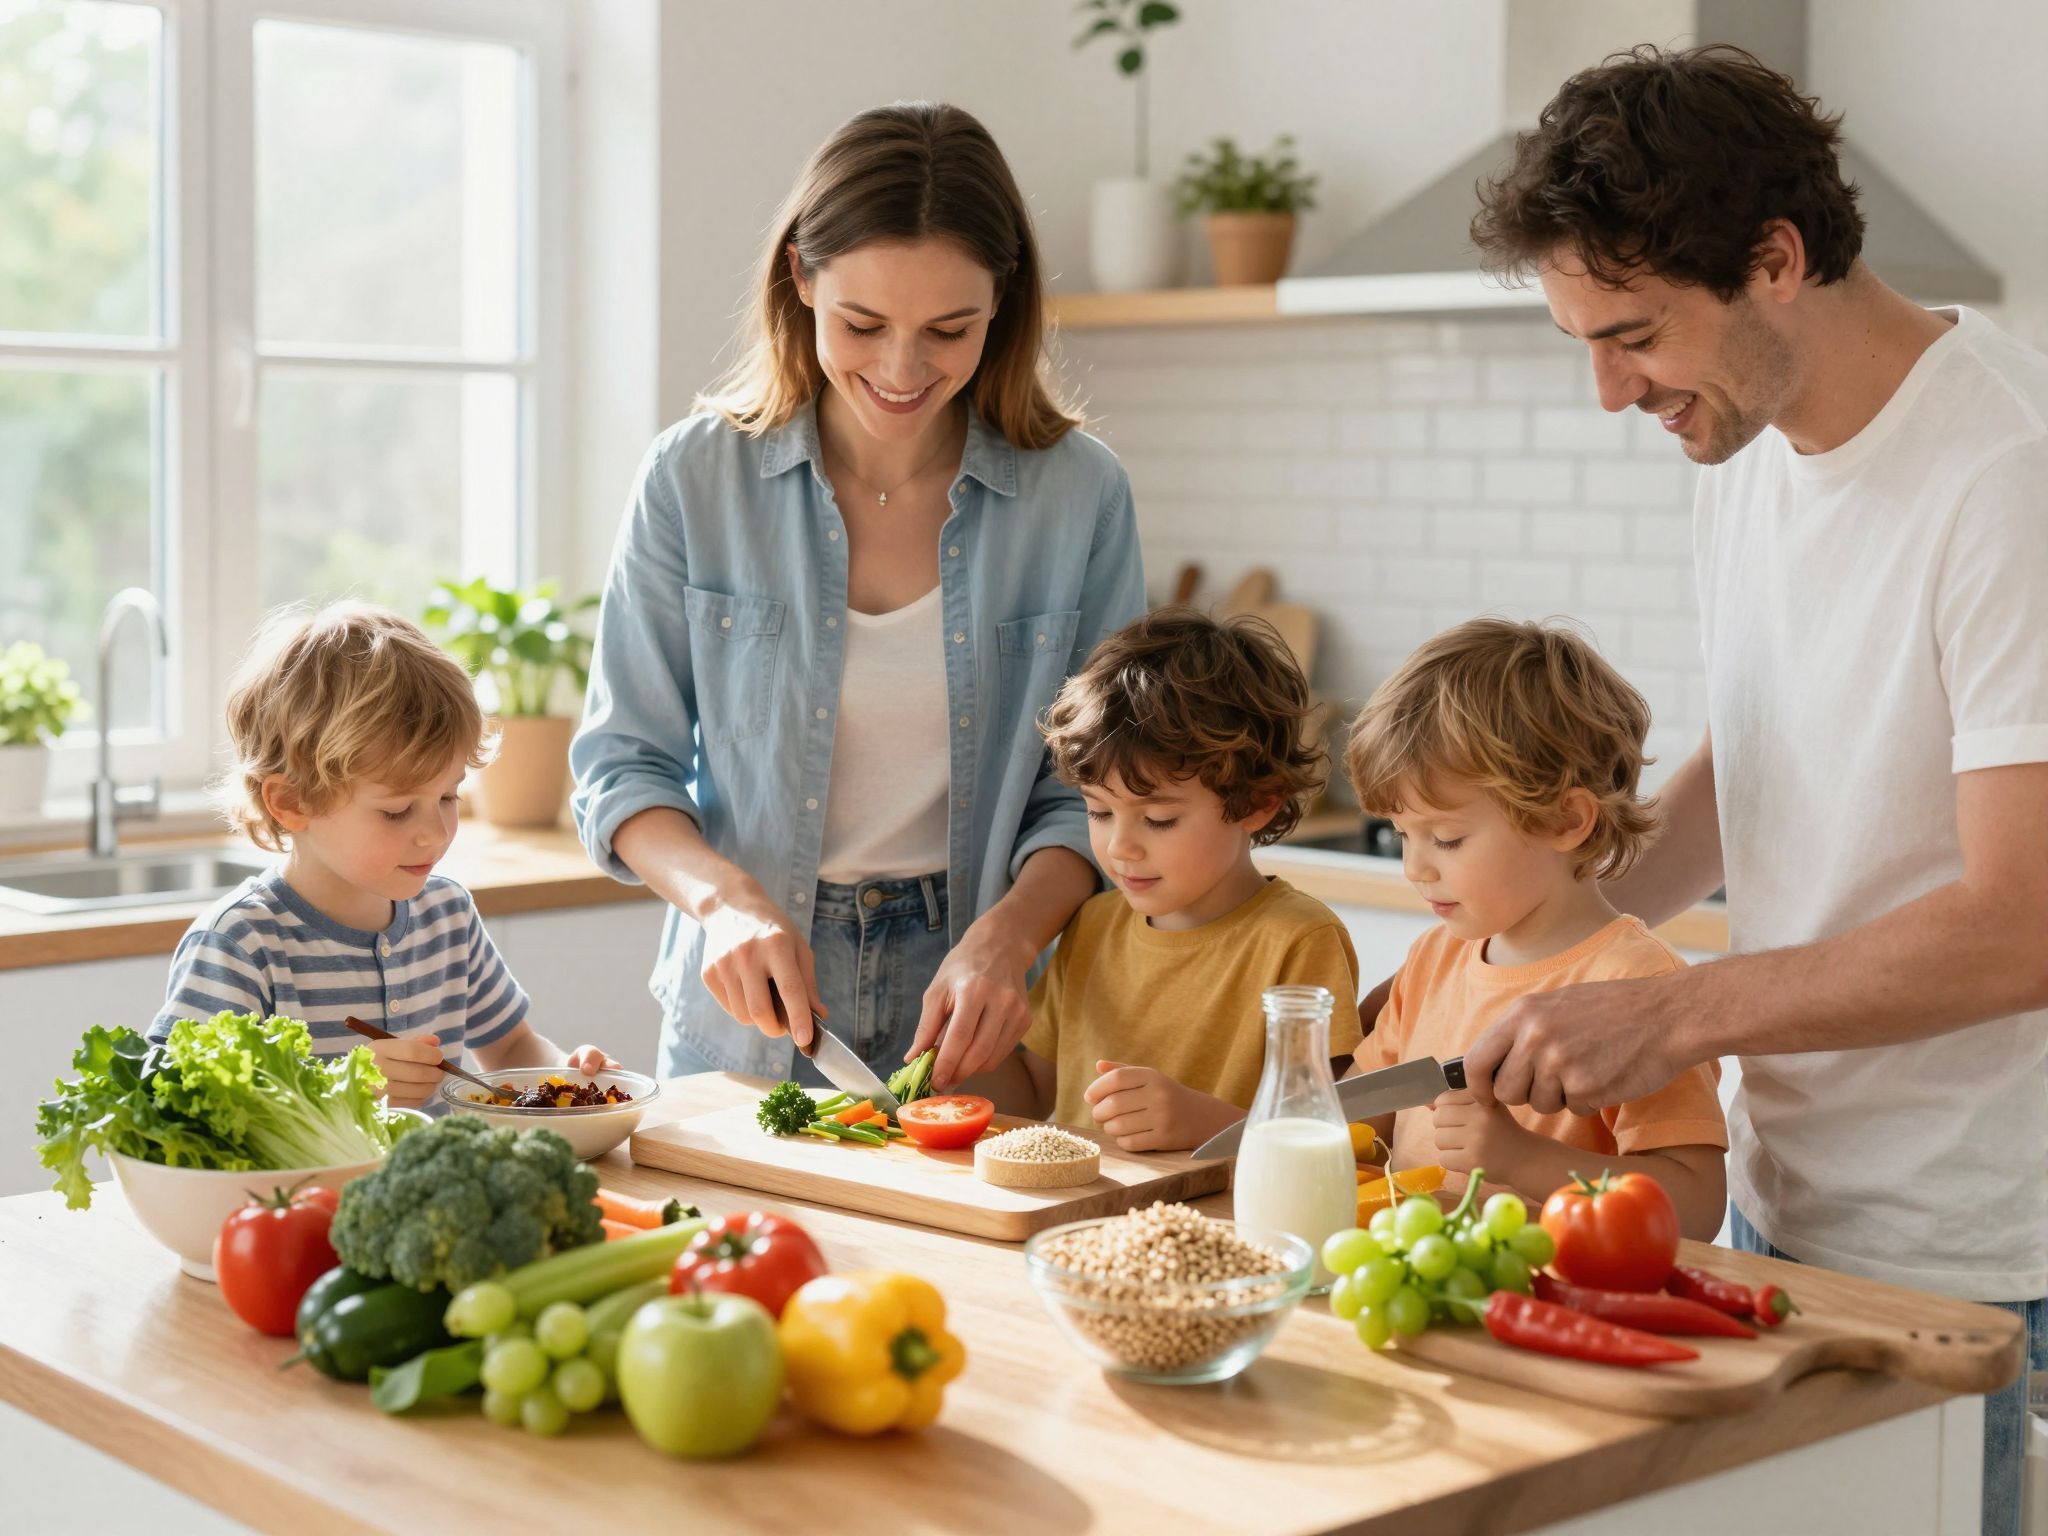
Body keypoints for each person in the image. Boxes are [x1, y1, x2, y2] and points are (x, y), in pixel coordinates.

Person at [1463, 44, 2047, 1531]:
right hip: (1789, 1201)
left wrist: (1664, 1009)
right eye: (1583, 343)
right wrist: (1532, 936)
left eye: (1635, 336)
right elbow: (1765, 758)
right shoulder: (1747, 451)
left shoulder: (2009, 476)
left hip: (1985, 1244)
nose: (1610, 392)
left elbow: (2021, 924)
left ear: (1776, 261)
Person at [571, 101, 1144, 1096]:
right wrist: (724, 903)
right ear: (800, 276)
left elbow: (1088, 792)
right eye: (863, 324)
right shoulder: (692, 480)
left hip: (980, 1005)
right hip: (749, 1001)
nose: (899, 368)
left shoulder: (1079, 495)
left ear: (1000, 303)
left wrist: (1008, 939)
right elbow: (622, 770)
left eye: (947, 329)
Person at [1343, 618, 1726, 1237]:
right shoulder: (1433, 958)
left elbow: (1698, 1208)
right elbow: (1363, 1114)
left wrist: (1525, 1161)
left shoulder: (1639, 987)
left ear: (1564, 820)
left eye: (1445, 838)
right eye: (1400, 834)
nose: (1415, 868)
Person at [152, 603, 610, 1108]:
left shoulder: (447, 916)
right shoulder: (241, 944)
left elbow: (511, 1045)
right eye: (396, 811)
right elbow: (175, 1104)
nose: (435, 833)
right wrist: (343, 1088)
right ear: (290, 802)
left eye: (448, 797)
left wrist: (562, 1074)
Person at [980, 609, 1360, 1152]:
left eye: (1158, 819)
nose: (1120, 847)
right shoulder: (1092, 924)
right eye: (1099, 812)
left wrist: (1206, 1124)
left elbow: (1333, 1136)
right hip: (1078, 1221)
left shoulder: (1299, 941)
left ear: (1256, 802)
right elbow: (1036, 1090)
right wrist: (954, 1058)